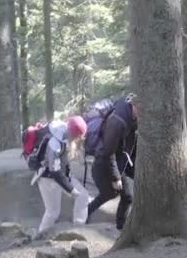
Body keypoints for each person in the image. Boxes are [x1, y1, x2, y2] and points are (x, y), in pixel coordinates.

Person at [86, 93, 138, 230]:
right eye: (140, 108)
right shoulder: (117, 121)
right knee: (109, 193)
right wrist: (116, 178)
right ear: (133, 105)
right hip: (103, 165)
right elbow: (108, 152)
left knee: (126, 196)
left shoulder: (132, 121)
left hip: (119, 163)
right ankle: (84, 214)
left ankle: (120, 227)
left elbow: (130, 147)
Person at [32, 116, 87, 234]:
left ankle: (78, 229)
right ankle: (39, 237)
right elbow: (54, 170)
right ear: (73, 133)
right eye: (78, 136)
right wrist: (71, 189)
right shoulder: (54, 142)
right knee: (52, 212)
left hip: (63, 175)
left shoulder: (66, 135)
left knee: (83, 195)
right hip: (47, 177)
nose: (80, 139)